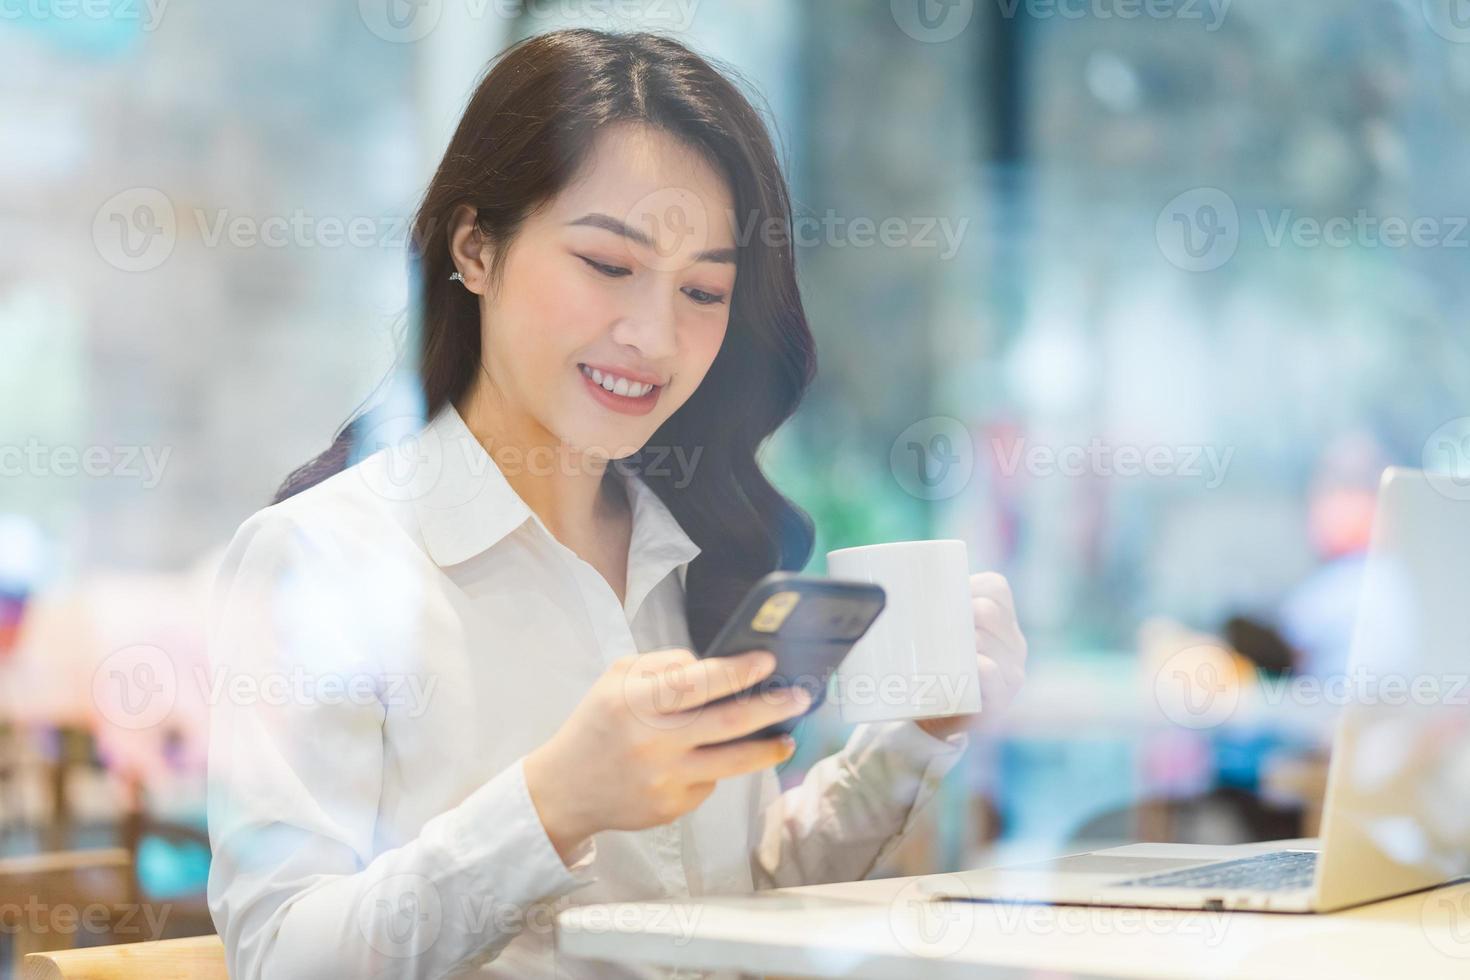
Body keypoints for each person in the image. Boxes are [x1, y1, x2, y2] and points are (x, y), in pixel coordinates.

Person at [205, 29, 1027, 979]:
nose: (654, 336)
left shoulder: (690, 550)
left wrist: (915, 738)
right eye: (607, 265)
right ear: (474, 247)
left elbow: (727, 905)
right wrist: (551, 805)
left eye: (705, 290)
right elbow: (279, 957)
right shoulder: (318, 560)